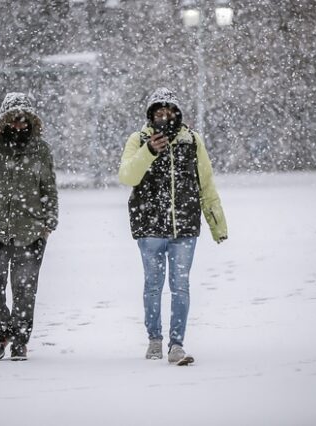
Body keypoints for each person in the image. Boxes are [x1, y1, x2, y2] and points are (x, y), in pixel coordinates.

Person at [118, 87, 228, 365]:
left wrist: (217, 224)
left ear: (177, 114)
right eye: (158, 111)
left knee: (181, 286)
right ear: (150, 115)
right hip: (150, 227)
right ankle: (154, 339)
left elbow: (206, 183)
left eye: (168, 112)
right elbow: (127, 176)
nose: (164, 116)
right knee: (153, 286)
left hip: (184, 227)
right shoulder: (138, 139)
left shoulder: (192, 140)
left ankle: (176, 344)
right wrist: (149, 151)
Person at [0, 92, 58, 361]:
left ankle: (20, 339)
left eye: (24, 120)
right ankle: (0, 333)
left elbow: (49, 189)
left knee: (25, 289)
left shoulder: (41, 149)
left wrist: (48, 222)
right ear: (4, 121)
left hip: (31, 232)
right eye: (14, 120)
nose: (19, 126)